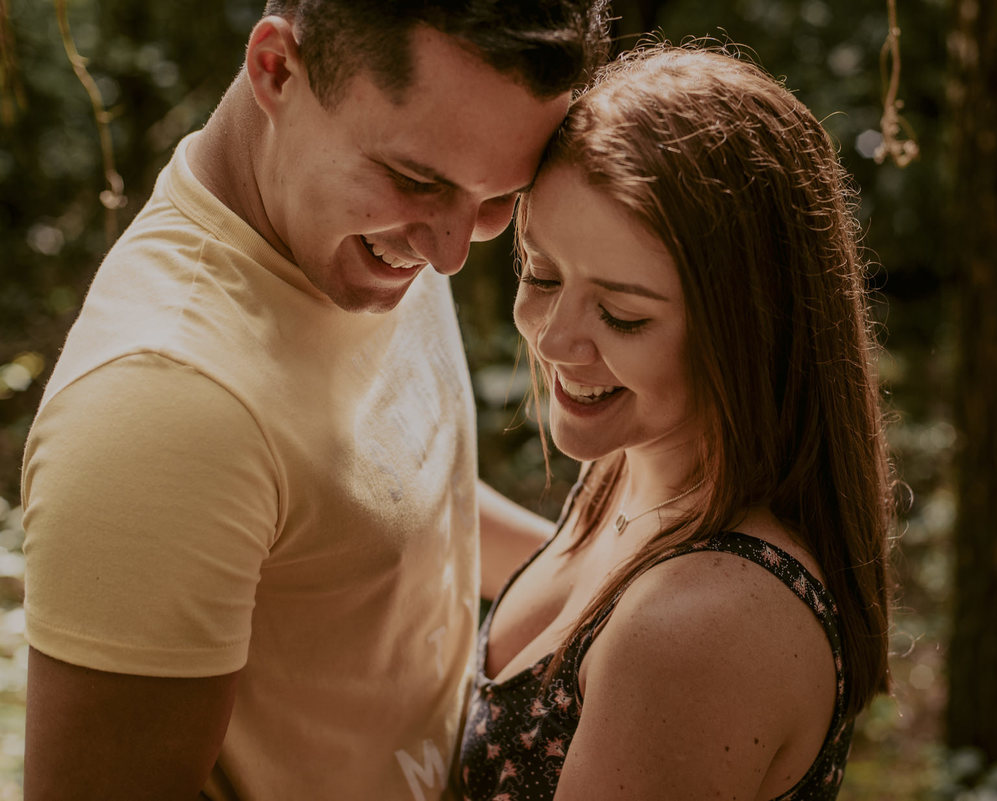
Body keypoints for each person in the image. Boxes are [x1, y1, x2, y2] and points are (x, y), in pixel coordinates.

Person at [20, 2, 608, 799]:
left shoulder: (355, 233)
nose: (449, 251)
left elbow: (395, 500)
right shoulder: (166, 409)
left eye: (499, 197)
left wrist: (630, 583)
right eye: (415, 180)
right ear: (278, 70)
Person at [458, 44, 895, 801]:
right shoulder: (643, 469)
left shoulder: (700, 630)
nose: (555, 339)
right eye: (541, 274)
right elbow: (564, 594)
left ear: (747, 331)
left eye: (623, 316)